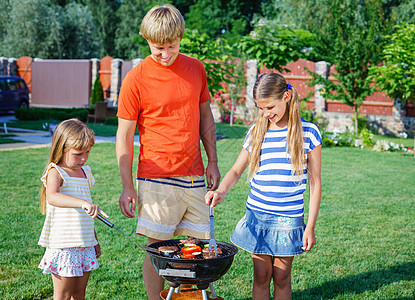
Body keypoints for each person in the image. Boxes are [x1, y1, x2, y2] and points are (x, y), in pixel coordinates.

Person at [115, 4, 220, 299]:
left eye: (171, 47)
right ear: (146, 40)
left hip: (195, 175)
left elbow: (206, 118)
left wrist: (212, 162)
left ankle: (188, 297)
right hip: (157, 176)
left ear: (180, 38)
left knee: (197, 248)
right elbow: (123, 137)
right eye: (157, 47)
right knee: (158, 248)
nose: (164, 54)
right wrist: (126, 187)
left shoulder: (196, 68)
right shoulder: (135, 79)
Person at [205, 72, 322, 300]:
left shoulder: (308, 132)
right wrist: (221, 191)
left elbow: (315, 182)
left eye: (269, 107)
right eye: (260, 109)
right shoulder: (258, 131)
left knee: (281, 277)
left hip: (289, 218)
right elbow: (237, 170)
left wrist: (310, 226)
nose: (266, 114)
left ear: (286, 96)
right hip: (257, 215)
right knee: (260, 275)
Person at [38, 118, 109, 300]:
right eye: (78, 154)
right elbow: (53, 196)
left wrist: (93, 239)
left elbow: (85, 215)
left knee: (79, 293)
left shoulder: (85, 172)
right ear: (61, 148)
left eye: (87, 152)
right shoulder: (56, 171)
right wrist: (82, 203)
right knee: (63, 294)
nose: (83, 158)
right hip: (64, 245)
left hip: (84, 243)